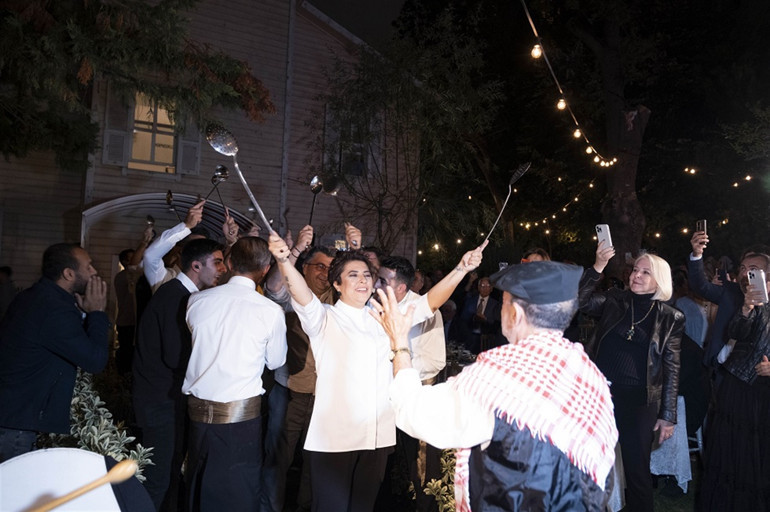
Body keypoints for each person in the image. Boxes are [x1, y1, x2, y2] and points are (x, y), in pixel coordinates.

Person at [374, 261, 618, 511]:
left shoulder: (493, 379)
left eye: (503, 303)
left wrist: (399, 342)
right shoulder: (588, 371)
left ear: (516, 315)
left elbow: (414, 412)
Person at [267, 232, 485, 512]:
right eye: (352, 275)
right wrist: (284, 261)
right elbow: (300, 293)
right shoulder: (324, 317)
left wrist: (462, 268)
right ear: (337, 283)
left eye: (366, 275)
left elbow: (430, 301)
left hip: (376, 436)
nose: (362, 280)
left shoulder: (387, 317)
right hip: (335, 438)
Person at [183, 236, 287, 511]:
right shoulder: (271, 311)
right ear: (265, 269)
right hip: (240, 419)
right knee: (238, 488)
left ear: (228, 262)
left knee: (198, 479)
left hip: (197, 415)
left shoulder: (196, 301)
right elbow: (276, 362)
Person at [578, 242, 683, 512]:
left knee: (637, 471)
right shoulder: (615, 300)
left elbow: (672, 367)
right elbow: (578, 301)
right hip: (599, 396)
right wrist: (597, 267)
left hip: (639, 401)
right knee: (586, 462)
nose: (636, 275)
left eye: (645, 272)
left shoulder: (671, 317)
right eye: (635, 269)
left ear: (659, 279)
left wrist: (668, 414)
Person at [132, 238, 226, 511]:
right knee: (157, 479)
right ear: (196, 266)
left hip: (165, 401)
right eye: (217, 262)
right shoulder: (176, 298)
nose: (222, 268)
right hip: (159, 403)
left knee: (170, 473)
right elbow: (174, 357)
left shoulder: (180, 295)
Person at [0, 243, 109, 462]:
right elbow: (94, 360)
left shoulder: (36, 297)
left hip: (12, 417)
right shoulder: (54, 310)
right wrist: (97, 313)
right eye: (88, 267)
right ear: (69, 274)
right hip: (16, 425)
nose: (94, 272)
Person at [699, 252, 770, 511]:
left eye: (753, 269)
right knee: (731, 456)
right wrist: (746, 308)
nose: (745, 273)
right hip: (738, 388)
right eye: (742, 268)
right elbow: (736, 332)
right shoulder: (746, 302)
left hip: (765, 396)